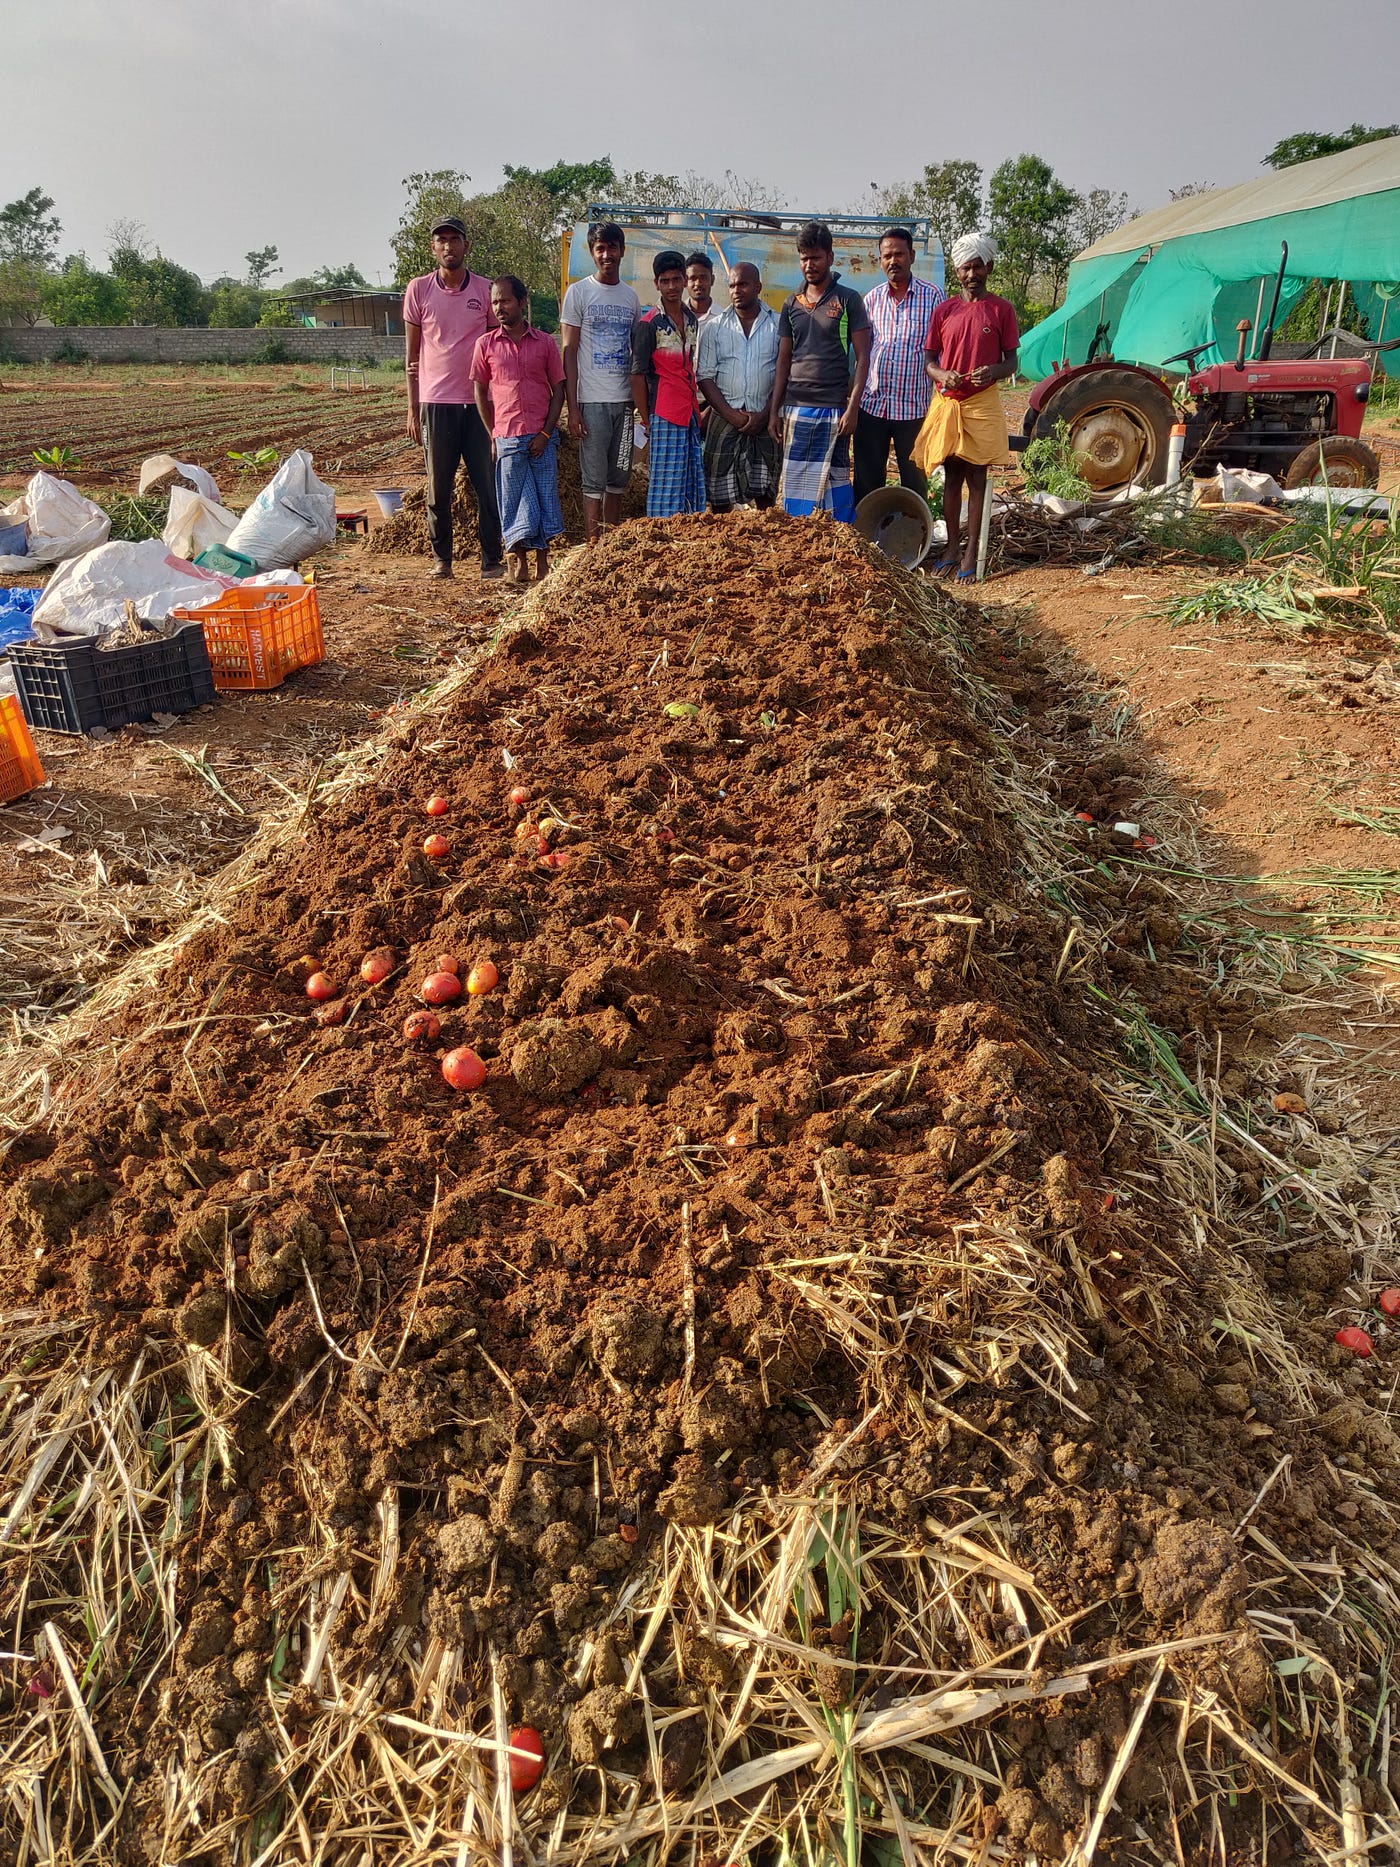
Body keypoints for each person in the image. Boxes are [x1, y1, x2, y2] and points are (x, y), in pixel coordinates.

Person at [403, 215, 505, 581]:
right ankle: (441, 561)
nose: (448, 246)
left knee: (487, 486)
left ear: (466, 245)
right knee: (438, 487)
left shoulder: (484, 290)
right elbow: (411, 358)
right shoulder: (418, 290)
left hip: (478, 405)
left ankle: (491, 560)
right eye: (441, 240)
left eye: (454, 239)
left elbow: (497, 349)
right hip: (436, 404)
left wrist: (499, 405)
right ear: (433, 247)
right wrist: (413, 410)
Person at [914, 233, 1019, 580]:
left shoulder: (1001, 310)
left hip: (982, 401)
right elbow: (929, 359)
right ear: (957, 272)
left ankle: (972, 551)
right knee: (951, 476)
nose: (971, 273)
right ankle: (952, 547)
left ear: (988, 267)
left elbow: (1012, 362)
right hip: (948, 400)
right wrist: (944, 374)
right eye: (965, 268)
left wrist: (993, 371)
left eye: (977, 266)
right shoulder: (944, 310)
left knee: (977, 477)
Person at [768, 222, 871, 522]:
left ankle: (840, 541)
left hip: (834, 409)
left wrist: (852, 409)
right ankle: (799, 544)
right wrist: (775, 410)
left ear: (830, 257)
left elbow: (863, 357)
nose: (809, 264)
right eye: (803, 257)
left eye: (815, 257)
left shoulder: (848, 300)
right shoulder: (791, 303)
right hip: (797, 408)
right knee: (795, 480)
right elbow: (783, 360)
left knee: (836, 478)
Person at [471, 275, 565, 584]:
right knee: (512, 503)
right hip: (507, 438)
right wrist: (493, 435)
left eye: (506, 300)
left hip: (541, 437)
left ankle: (543, 563)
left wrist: (546, 434)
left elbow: (559, 390)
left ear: (522, 302)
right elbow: (480, 393)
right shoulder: (485, 345)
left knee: (543, 500)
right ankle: (519, 563)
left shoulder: (545, 343)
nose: (499, 307)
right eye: (495, 302)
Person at [561, 222, 642, 543]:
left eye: (613, 248)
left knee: (619, 475)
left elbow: (636, 353)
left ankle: (611, 543)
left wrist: (638, 403)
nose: (607, 255)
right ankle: (593, 545)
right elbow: (568, 352)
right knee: (593, 479)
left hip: (624, 405)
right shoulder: (579, 293)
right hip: (591, 403)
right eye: (600, 249)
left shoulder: (631, 298)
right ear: (593, 253)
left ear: (622, 251)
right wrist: (573, 408)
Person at [854, 227, 944, 505]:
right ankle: (865, 539)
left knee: (915, 483)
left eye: (899, 254)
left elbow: (941, 352)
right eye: (887, 256)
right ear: (880, 261)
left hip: (913, 410)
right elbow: (862, 351)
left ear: (912, 256)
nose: (893, 261)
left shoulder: (933, 297)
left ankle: (914, 539)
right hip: (873, 407)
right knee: (867, 481)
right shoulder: (871, 299)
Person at [696, 261, 781, 512]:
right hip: (725, 418)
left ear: (758, 286)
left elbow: (782, 375)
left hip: (765, 419)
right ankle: (723, 543)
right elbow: (705, 377)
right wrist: (733, 416)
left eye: (742, 284)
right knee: (720, 494)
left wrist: (765, 414)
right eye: (732, 285)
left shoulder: (777, 325)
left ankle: (770, 545)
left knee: (766, 490)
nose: (736, 290)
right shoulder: (714, 327)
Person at [630, 250, 705, 517]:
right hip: (664, 412)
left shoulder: (691, 320)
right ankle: (663, 542)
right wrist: (648, 420)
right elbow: (637, 375)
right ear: (656, 284)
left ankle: (689, 541)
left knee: (691, 479)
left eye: (676, 279)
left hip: (689, 411)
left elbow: (690, 366)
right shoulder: (648, 324)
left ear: (685, 280)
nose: (672, 286)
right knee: (665, 484)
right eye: (665, 281)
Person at [685, 251, 719, 323]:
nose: (698, 283)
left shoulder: (723, 319)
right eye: (693, 278)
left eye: (703, 278)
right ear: (685, 282)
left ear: (712, 280)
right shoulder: (675, 316)